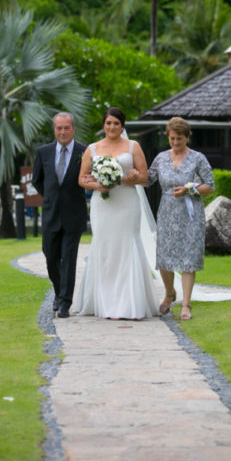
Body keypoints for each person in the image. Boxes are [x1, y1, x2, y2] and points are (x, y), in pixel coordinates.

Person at [75, 107, 159, 320]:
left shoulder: (133, 146)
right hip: (103, 205)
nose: (112, 127)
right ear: (103, 124)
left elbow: (144, 176)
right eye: (108, 123)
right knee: (104, 245)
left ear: (122, 126)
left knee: (126, 244)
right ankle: (102, 301)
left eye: (116, 123)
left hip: (126, 202)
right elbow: (82, 178)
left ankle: (128, 303)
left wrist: (130, 177)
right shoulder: (92, 149)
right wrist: (98, 186)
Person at [147, 117, 214, 320]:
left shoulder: (198, 158)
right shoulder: (160, 158)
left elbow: (210, 186)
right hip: (167, 213)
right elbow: (148, 179)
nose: (175, 143)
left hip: (190, 214)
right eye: (172, 138)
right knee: (165, 258)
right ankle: (169, 293)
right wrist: (127, 174)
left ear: (187, 137)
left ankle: (186, 304)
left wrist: (188, 188)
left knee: (188, 259)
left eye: (180, 139)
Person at [32, 112, 87, 318]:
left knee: (69, 259)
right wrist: (51, 198)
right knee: (50, 256)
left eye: (66, 128)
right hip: (51, 214)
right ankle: (58, 292)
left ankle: (64, 303)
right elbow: (37, 180)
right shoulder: (43, 152)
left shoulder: (85, 151)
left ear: (73, 129)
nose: (62, 132)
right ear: (54, 130)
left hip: (74, 215)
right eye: (59, 128)